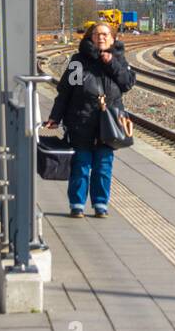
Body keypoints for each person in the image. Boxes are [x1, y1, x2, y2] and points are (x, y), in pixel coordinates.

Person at [45, 23, 136, 219]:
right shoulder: (79, 61)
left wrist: (111, 62)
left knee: (104, 166)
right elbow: (66, 92)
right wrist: (55, 117)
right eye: (96, 35)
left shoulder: (119, 59)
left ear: (112, 38)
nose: (101, 38)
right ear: (90, 37)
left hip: (109, 123)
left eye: (105, 34)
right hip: (81, 120)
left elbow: (127, 83)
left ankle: (100, 204)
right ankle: (77, 205)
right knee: (81, 165)